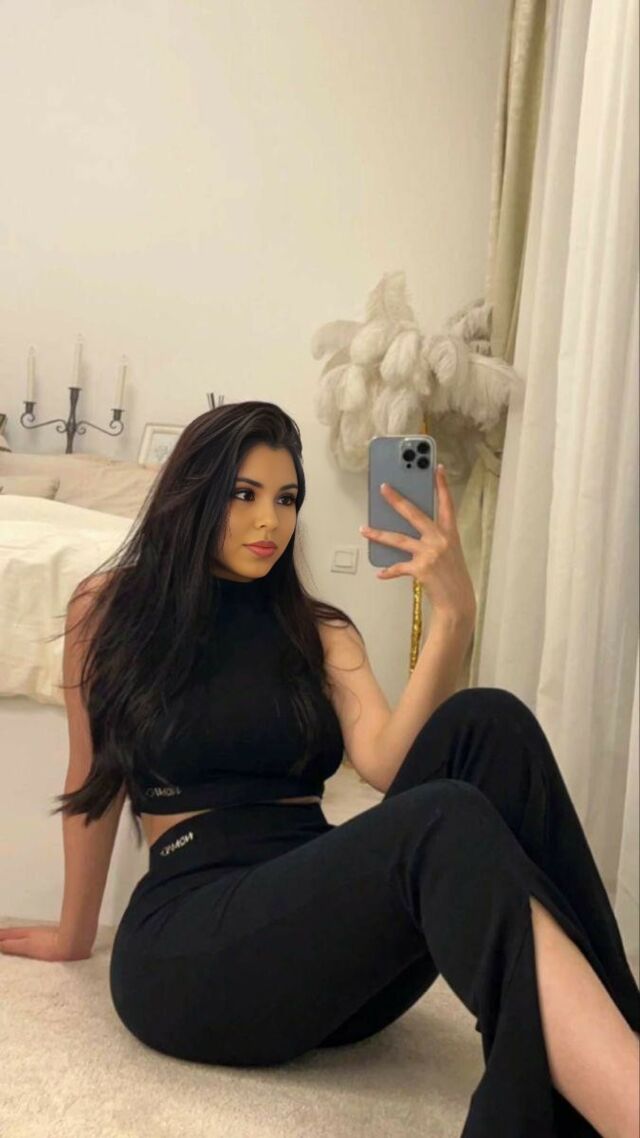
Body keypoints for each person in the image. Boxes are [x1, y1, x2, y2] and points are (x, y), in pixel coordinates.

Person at [2, 401, 639, 1138]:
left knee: (490, 722)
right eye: (244, 494)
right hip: (192, 948)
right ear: (193, 492)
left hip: (326, 952)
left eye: (287, 499)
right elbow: (93, 777)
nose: (269, 521)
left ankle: (622, 1036)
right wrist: (74, 932)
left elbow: (389, 767)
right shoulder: (109, 609)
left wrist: (454, 619)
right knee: (445, 817)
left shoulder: (318, 628)